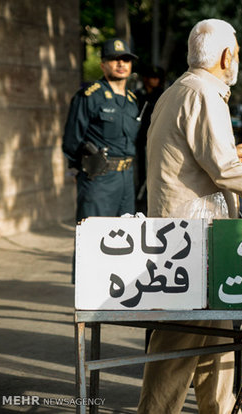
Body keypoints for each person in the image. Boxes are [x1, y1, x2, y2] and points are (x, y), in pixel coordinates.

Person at [136, 19, 242, 414]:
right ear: (227, 56)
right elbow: (223, 169)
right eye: (237, 52)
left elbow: (200, 157)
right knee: (177, 343)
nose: (237, 58)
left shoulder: (180, 90)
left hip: (199, 239)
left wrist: (229, 151)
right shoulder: (203, 94)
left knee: (219, 341)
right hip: (192, 241)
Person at [62, 38, 140, 284]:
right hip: (99, 177)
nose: (121, 63)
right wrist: (85, 170)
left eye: (126, 59)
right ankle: (85, 303)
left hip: (127, 179)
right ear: (103, 64)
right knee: (93, 240)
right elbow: (71, 141)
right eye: (115, 59)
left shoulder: (132, 100)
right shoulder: (90, 96)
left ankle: (116, 294)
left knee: (125, 238)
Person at [134, 65, 166, 214]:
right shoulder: (138, 95)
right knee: (141, 173)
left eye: (157, 78)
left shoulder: (163, 96)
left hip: (157, 141)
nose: (154, 80)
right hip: (140, 140)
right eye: (152, 77)